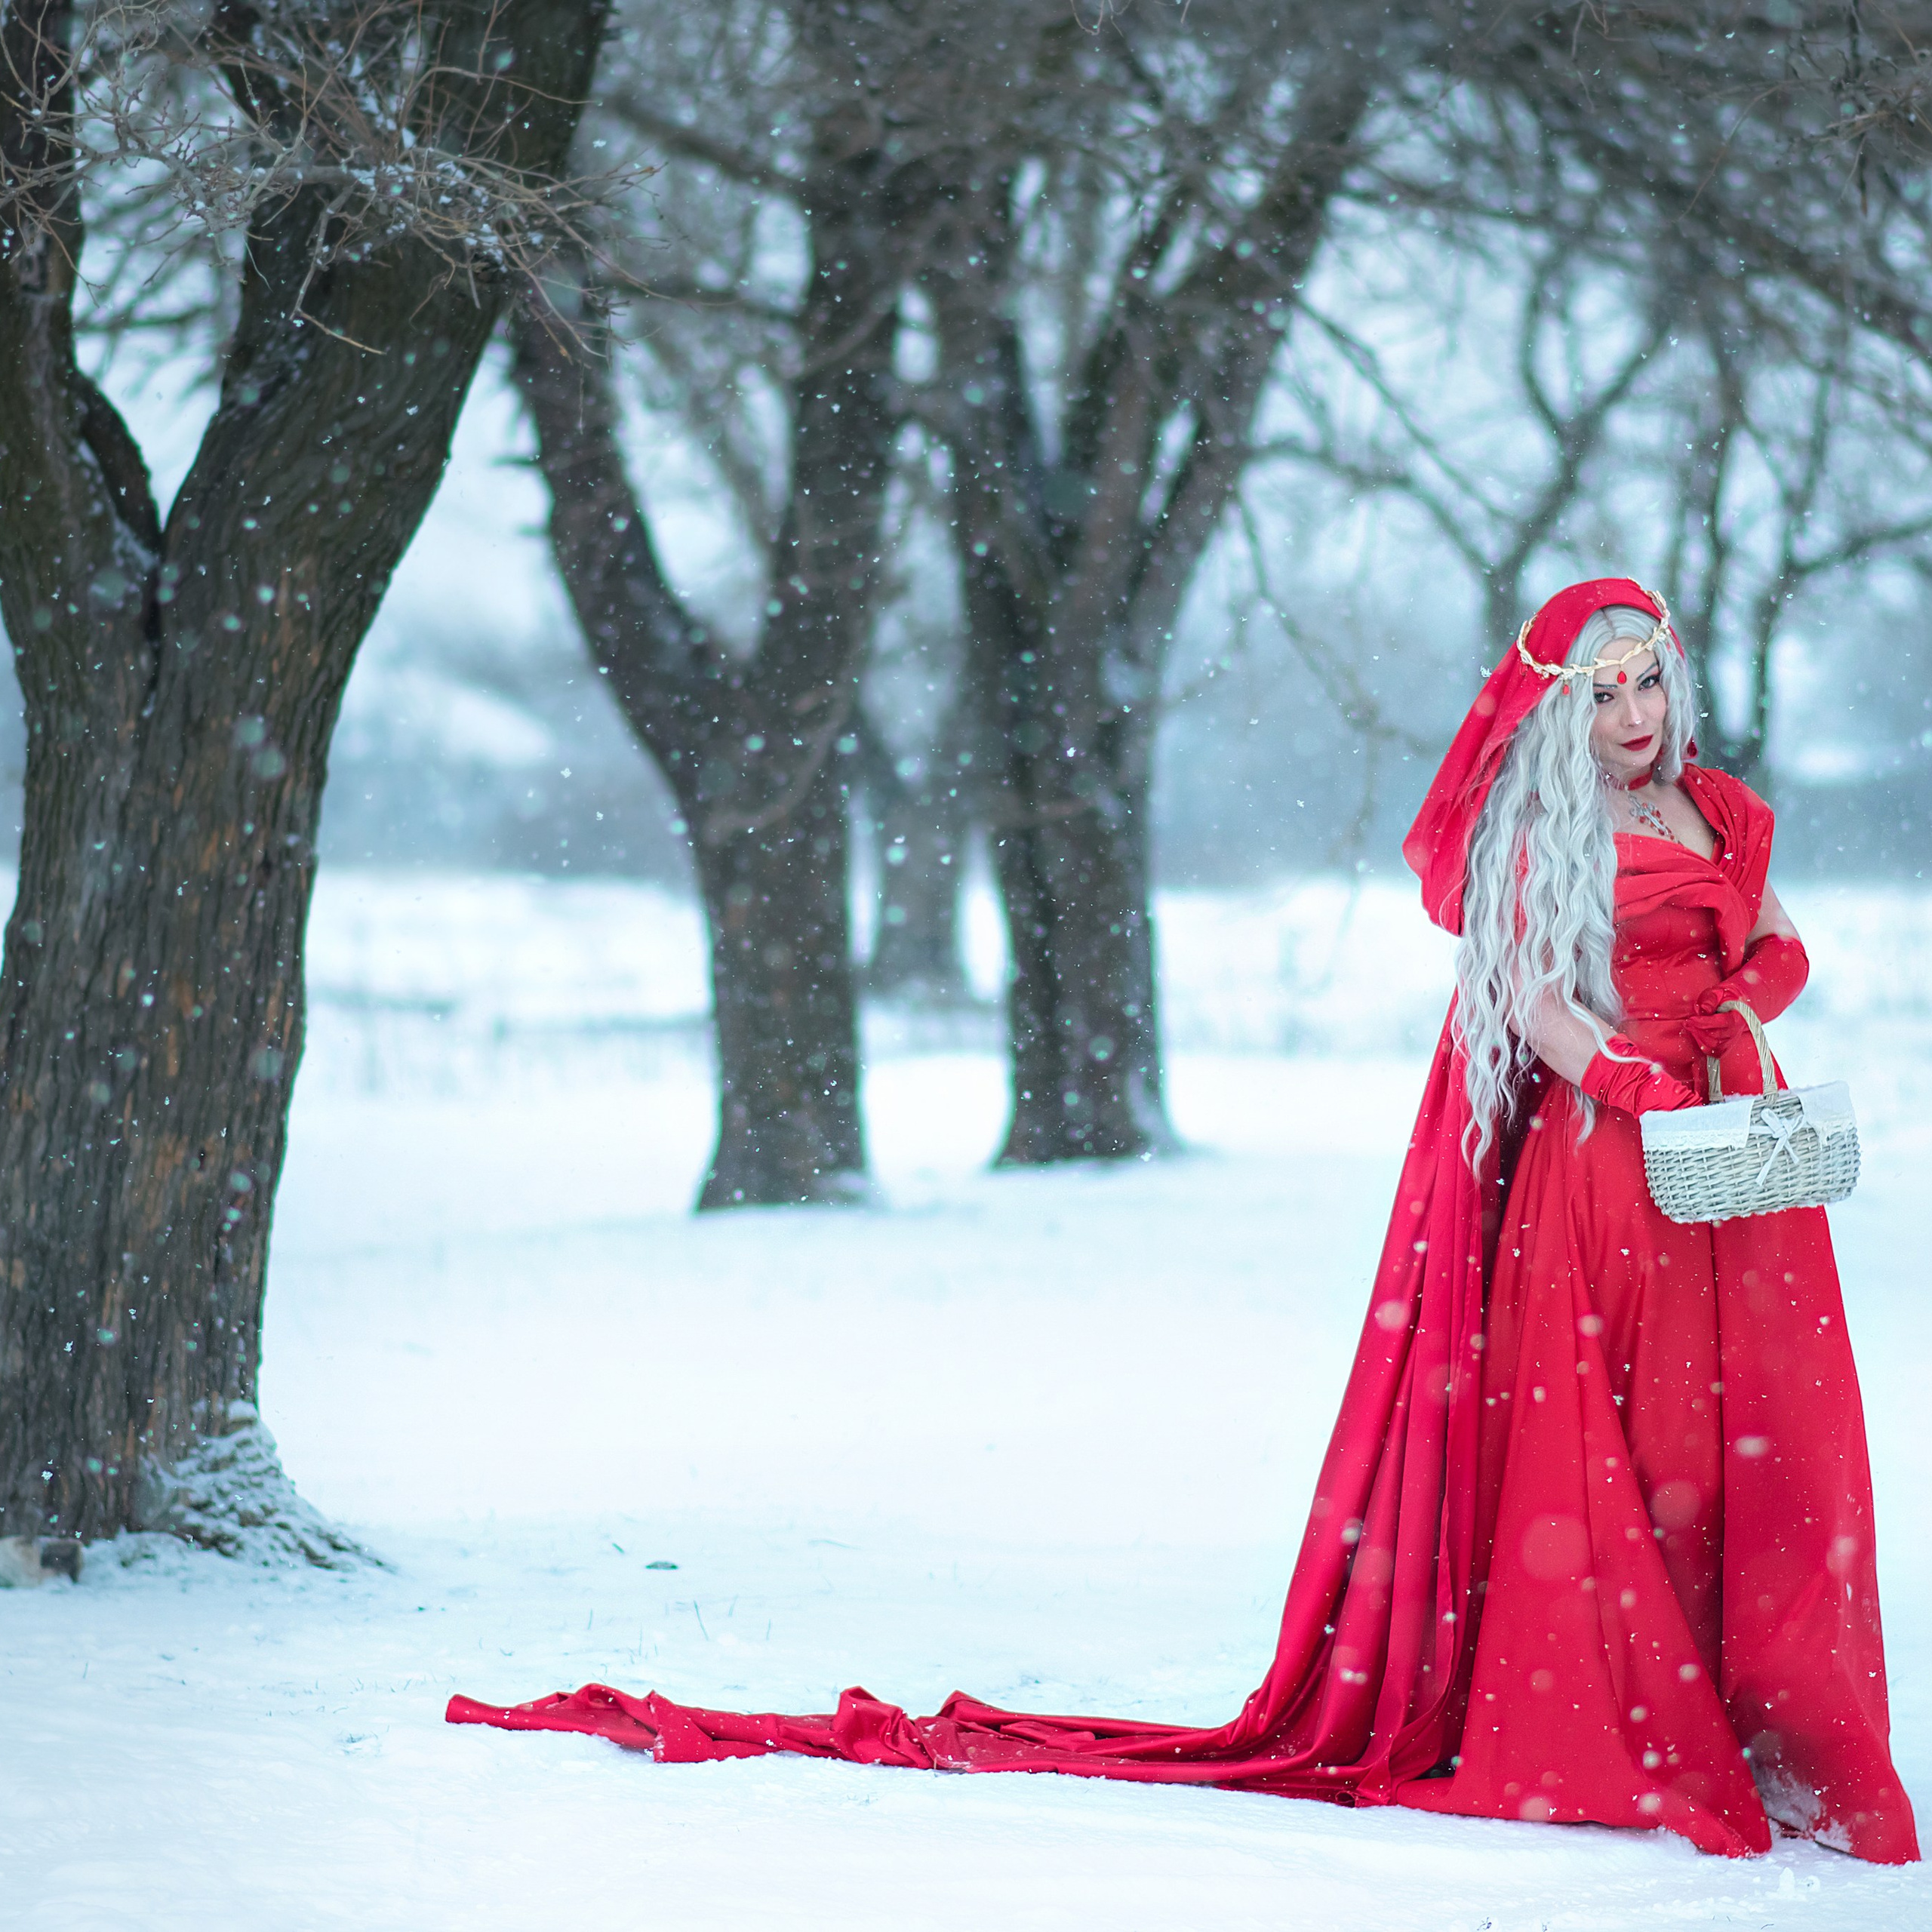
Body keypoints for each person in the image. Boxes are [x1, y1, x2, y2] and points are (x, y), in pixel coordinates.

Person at [448, 579, 1919, 1864]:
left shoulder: (1710, 806)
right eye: (1599, 693)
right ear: (1558, 711)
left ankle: (1753, 1710)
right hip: (1607, 1157)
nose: (1629, 712)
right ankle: (1627, 1717)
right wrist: (1615, 1067)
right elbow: (1527, 994)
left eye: (1645, 677)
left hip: (1737, 1159)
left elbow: (1778, 934)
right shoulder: (1546, 832)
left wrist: (1737, 1009)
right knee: (1624, 1443)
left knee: (1744, 1440)